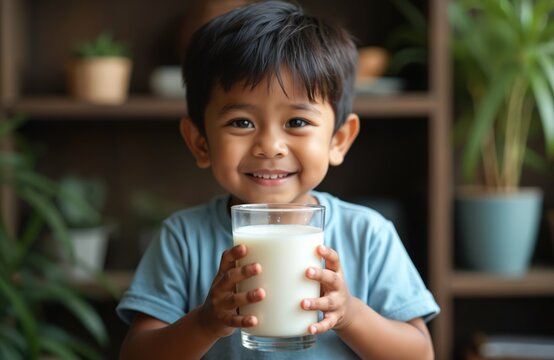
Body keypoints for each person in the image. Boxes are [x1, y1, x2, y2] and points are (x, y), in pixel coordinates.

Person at [116, 1, 440, 359]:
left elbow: (420, 353)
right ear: (200, 142)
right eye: (241, 122)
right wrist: (206, 323)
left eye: (297, 122)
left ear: (339, 140)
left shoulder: (368, 236)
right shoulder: (184, 239)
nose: (270, 146)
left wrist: (350, 314)